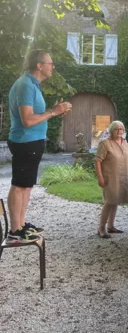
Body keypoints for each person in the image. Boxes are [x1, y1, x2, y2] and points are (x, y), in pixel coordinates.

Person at [7, 49, 72, 242]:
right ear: (39, 66)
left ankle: (21, 224)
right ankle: (14, 230)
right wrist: (53, 112)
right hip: (25, 142)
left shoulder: (32, 85)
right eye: (50, 63)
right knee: (19, 185)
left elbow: (35, 114)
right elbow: (27, 120)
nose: (52, 67)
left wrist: (55, 111)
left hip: (31, 142)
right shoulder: (26, 85)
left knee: (26, 186)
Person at [95, 120, 128, 238]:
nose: (120, 131)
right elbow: (98, 160)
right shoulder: (105, 143)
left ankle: (111, 226)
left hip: (122, 176)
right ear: (111, 130)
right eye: (117, 129)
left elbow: (127, 159)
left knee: (116, 201)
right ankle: (101, 228)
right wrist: (100, 177)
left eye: (122, 129)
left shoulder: (124, 142)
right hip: (110, 177)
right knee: (109, 202)